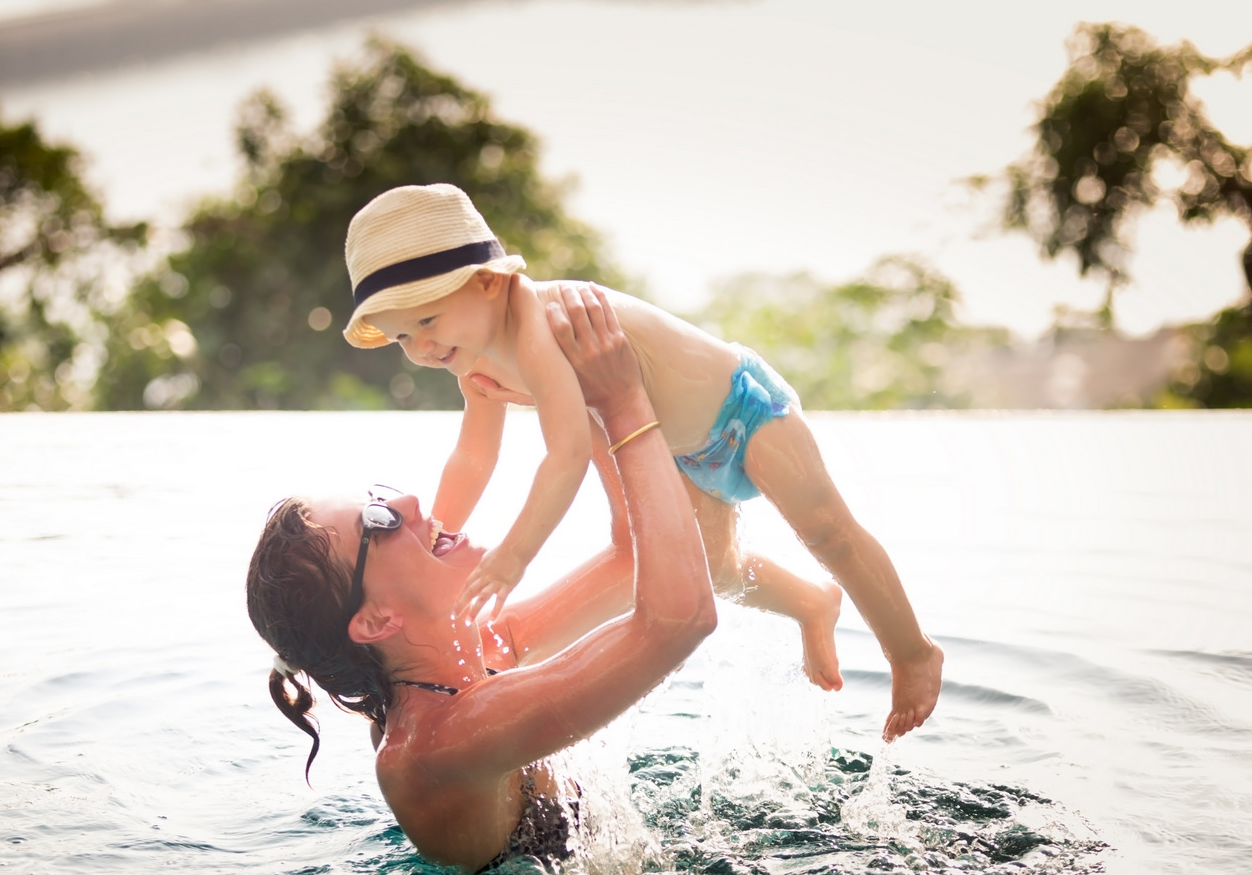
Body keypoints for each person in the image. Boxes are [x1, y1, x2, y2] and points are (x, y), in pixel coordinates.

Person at [341, 183, 942, 740]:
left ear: (488, 282)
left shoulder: (538, 322)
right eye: (401, 338)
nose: (421, 348)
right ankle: (813, 603)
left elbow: (568, 453)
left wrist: (512, 559)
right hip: (680, 453)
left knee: (827, 531)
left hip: (743, 411)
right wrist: (436, 537)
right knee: (711, 569)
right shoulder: (471, 354)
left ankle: (912, 650)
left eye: (426, 320)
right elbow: (473, 457)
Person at [247, 286, 717, 873]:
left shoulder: (480, 648)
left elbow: (628, 558)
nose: (411, 501)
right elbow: (680, 620)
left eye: (382, 494)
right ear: (373, 619)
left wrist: (578, 404)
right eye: (380, 519)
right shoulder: (435, 745)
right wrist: (625, 404)